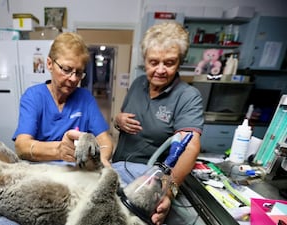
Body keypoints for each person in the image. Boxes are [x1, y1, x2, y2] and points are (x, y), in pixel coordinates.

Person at [112, 21, 204, 225]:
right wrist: (118, 120)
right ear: (144, 60)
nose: (160, 70)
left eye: (169, 63)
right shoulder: (137, 84)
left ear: (180, 62)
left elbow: (190, 146)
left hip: (148, 184)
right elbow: (124, 118)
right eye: (153, 62)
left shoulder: (188, 97)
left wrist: (167, 192)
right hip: (118, 171)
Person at [12, 32, 113, 167]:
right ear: (49, 64)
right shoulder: (33, 97)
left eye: (78, 73)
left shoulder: (85, 98)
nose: (73, 79)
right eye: (66, 70)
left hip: (75, 172)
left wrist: (103, 160)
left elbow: (105, 141)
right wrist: (59, 150)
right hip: (41, 171)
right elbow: (21, 146)